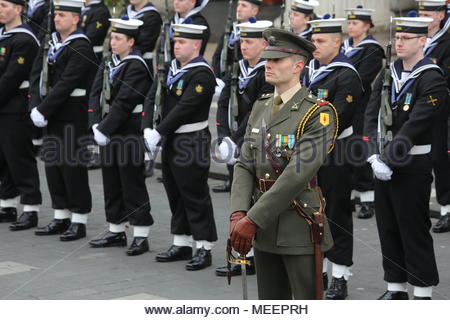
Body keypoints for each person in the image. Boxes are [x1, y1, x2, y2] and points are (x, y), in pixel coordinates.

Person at [229, 28, 337, 300]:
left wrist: (252, 219)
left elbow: (297, 174)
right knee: (270, 303)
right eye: (268, 58)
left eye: (277, 60)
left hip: (297, 226)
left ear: (298, 65)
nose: (269, 64)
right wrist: (238, 213)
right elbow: (244, 163)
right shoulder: (261, 105)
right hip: (262, 228)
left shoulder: (318, 113)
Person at [364, 13, 447, 300]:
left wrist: (387, 158)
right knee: (387, 226)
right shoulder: (388, 73)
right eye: (396, 38)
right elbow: (371, 114)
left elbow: (416, 125)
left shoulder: (432, 78)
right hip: (382, 164)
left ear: (422, 41)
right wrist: (373, 155)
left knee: (413, 228)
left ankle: (422, 290)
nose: (398, 43)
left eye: (405, 38)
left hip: (412, 164)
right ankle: (396, 287)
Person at [143, 23, 217, 271]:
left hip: (191, 139)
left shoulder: (202, 74)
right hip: (172, 139)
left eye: (182, 42)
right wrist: (147, 127)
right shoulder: (171, 68)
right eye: (175, 41)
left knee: (194, 194)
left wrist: (159, 131)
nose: (176, 45)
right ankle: (181, 242)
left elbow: (185, 108)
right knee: (174, 191)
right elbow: (152, 96)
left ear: (196, 45)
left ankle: (204, 246)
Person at [303, 15, 363, 299]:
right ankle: (320, 269)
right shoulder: (309, 70)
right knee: (313, 214)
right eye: (313, 40)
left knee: (336, 215)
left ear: (337, 43)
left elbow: (334, 116)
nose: (315, 45)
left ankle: (339, 274)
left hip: (336, 152)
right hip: (309, 152)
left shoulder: (347, 74)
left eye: (321, 41)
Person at [29, 0, 95, 241]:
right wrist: (36, 106)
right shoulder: (53, 43)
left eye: (63, 15)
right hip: (53, 111)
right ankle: (60, 214)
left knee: (72, 166)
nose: (57, 19)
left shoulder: (81, 46)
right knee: (53, 164)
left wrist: (43, 109)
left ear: (76, 19)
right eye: (56, 14)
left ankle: (79, 220)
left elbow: (67, 82)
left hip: (72, 113)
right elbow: (39, 75)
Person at [87, 17, 154, 256]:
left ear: (131, 41)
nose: (112, 42)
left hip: (128, 133)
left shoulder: (136, 66)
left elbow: (124, 103)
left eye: (117, 39)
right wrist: (95, 125)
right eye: (111, 38)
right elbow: (95, 94)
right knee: (111, 182)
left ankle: (140, 234)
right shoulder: (108, 62)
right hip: (108, 131)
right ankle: (115, 229)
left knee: (131, 183)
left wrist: (103, 129)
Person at [214, 19, 273, 277]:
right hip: (235, 144)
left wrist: (236, 141)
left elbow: (256, 112)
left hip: (257, 144)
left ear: (264, 44)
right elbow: (223, 103)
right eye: (242, 41)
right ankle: (242, 253)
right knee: (238, 199)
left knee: (256, 199)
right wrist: (223, 136)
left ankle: (258, 253)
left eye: (249, 42)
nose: (243, 46)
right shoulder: (236, 69)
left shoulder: (267, 72)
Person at [0, 0, 42, 229]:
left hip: (16, 106)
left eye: (5, 5)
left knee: (19, 158)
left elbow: (11, 78)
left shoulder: (25, 39)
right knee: (5, 158)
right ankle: (7, 205)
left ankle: (31, 208)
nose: (0, 9)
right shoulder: (4, 35)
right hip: (3, 107)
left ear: (19, 9)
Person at [343, 5, 384, 219]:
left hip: (361, 106)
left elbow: (362, 78)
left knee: (360, 151)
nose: (350, 27)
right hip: (343, 106)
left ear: (367, 26)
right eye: (349, 23)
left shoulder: (372, 50)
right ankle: (350, 195)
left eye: (355, 23)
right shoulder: (345, 47)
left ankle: (368, 199)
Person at [416, 0, 450, 233]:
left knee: (441, 158)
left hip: (441, 110)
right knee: (421, 158)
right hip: (416, 110)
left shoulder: (446, 43)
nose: (422, 18)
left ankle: (446, 209)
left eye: (427, 14)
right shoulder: (416, 40)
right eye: (420, 13)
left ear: (440, 16)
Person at [211, 0, 262, 79]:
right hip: (225, 78)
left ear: (254, 11)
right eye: (238, 5)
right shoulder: (230, 30)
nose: (238, 9)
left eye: (244, 5)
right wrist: (218, 79)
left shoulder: (259, 32)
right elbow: (217, 57)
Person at [124, 0, 162, 74]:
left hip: (141, 63)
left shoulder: (152, 16)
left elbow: (144, 44)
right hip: (122, 59)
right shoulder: (126, 11)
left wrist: (123, 51)